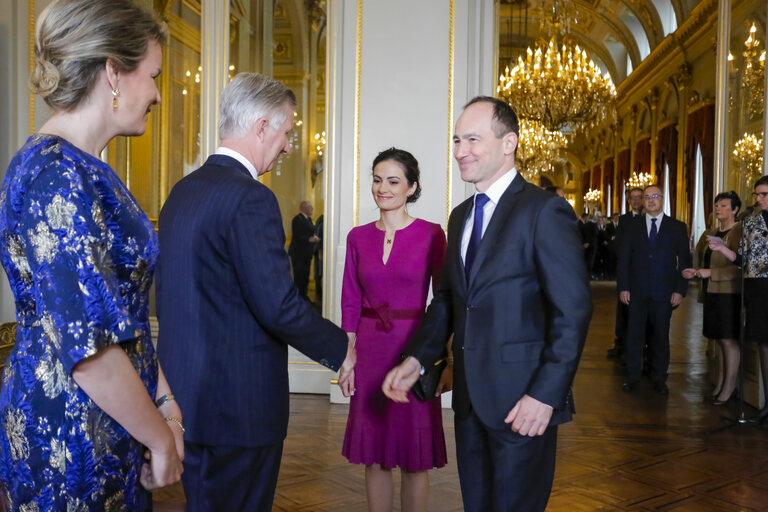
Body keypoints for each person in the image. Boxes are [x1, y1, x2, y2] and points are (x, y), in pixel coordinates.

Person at [0, 1, 183, 508]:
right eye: (153, 75)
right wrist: (161, 436)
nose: (158, 93)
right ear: (113, 73)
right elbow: (90, 350)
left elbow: (122, 316)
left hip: (114, 418)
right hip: (72, 429)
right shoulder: (54, 174)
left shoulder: (83, 168)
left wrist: (163, 403)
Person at [155, 73, 355, 510]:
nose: (287, 147)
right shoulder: (251, 198)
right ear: (262, 126)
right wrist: (344, 349)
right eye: (286, 133)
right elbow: (278, 306)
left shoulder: (181, 193)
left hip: (186, 401)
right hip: (238, 407)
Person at [381, 97, 592, 512]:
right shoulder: (460, 216)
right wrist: (417, 359)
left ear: (509, 142)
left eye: (473, 139)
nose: (461, 151)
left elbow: (573, 311)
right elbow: (447, 300)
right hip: (469, 403)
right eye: (457, 139)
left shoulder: (544, 210)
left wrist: (545, 396)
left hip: (525, 403)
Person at [341, 148, 448, 512]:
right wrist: (348, 356)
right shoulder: (357, 237)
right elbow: (350, 302)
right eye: (376, 179)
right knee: (375, 456)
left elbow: (444, 301)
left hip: (413, 350)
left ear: (411, 187)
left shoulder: (432, 235)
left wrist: (432, 355)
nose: (382, 188)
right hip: (370, 351)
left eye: (392, 180)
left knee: (415, 459)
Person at [617, 184, 691, 394]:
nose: (650, 200)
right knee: (634, 336)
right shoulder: (632, 227)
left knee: (660, 336)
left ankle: (659, 378)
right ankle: (633, 377)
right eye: (647, 197)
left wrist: (680, 290)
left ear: (662, 199)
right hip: (636, 292)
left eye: (654, 196)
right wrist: (623, 287)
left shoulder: (677, 227)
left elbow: (684, 261)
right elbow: (623, 260)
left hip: (664, 293)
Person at [710, 176, 768, 422]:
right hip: (758, 290)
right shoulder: (751, 221)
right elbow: (743, 259)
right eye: (757, 194)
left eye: (764, 194)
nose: (758, 199)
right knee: (764, 345)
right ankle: (767, 407)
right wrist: (724, 250)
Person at [682, 191, 742, 405]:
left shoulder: (738, 231)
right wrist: (697, 271)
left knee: (728, 340)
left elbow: (740, 268)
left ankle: (730, 385)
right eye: (717, 205)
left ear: (735, 209)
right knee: (718, 339)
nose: (718, 209)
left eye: (724, 205)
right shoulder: (715, 231)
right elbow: (710, 262)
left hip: (729, 293)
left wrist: (710, 274)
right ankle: (722, 382)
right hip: (712, 292)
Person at [608, 188, 645, 359]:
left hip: (645, 273)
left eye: (639, 197)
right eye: (633, 198)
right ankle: (621, 345)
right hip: (628, 272)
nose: (636, 201)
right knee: (624, 310)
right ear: (629, 201)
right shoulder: (624, 220)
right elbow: (619, 246)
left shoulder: (650, 218)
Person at [289, 200, 320, 300]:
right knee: (299, 277)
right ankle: (297, 299)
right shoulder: (297, 219)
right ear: (303, 208)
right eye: (310, 207)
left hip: (307, 254)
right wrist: (309, 239)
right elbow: (297, 235)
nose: (312, 209)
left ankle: (304, 298)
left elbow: (310, 232)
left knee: (305, 277)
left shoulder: (309, 219)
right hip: (298, 254)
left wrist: (314, 237)